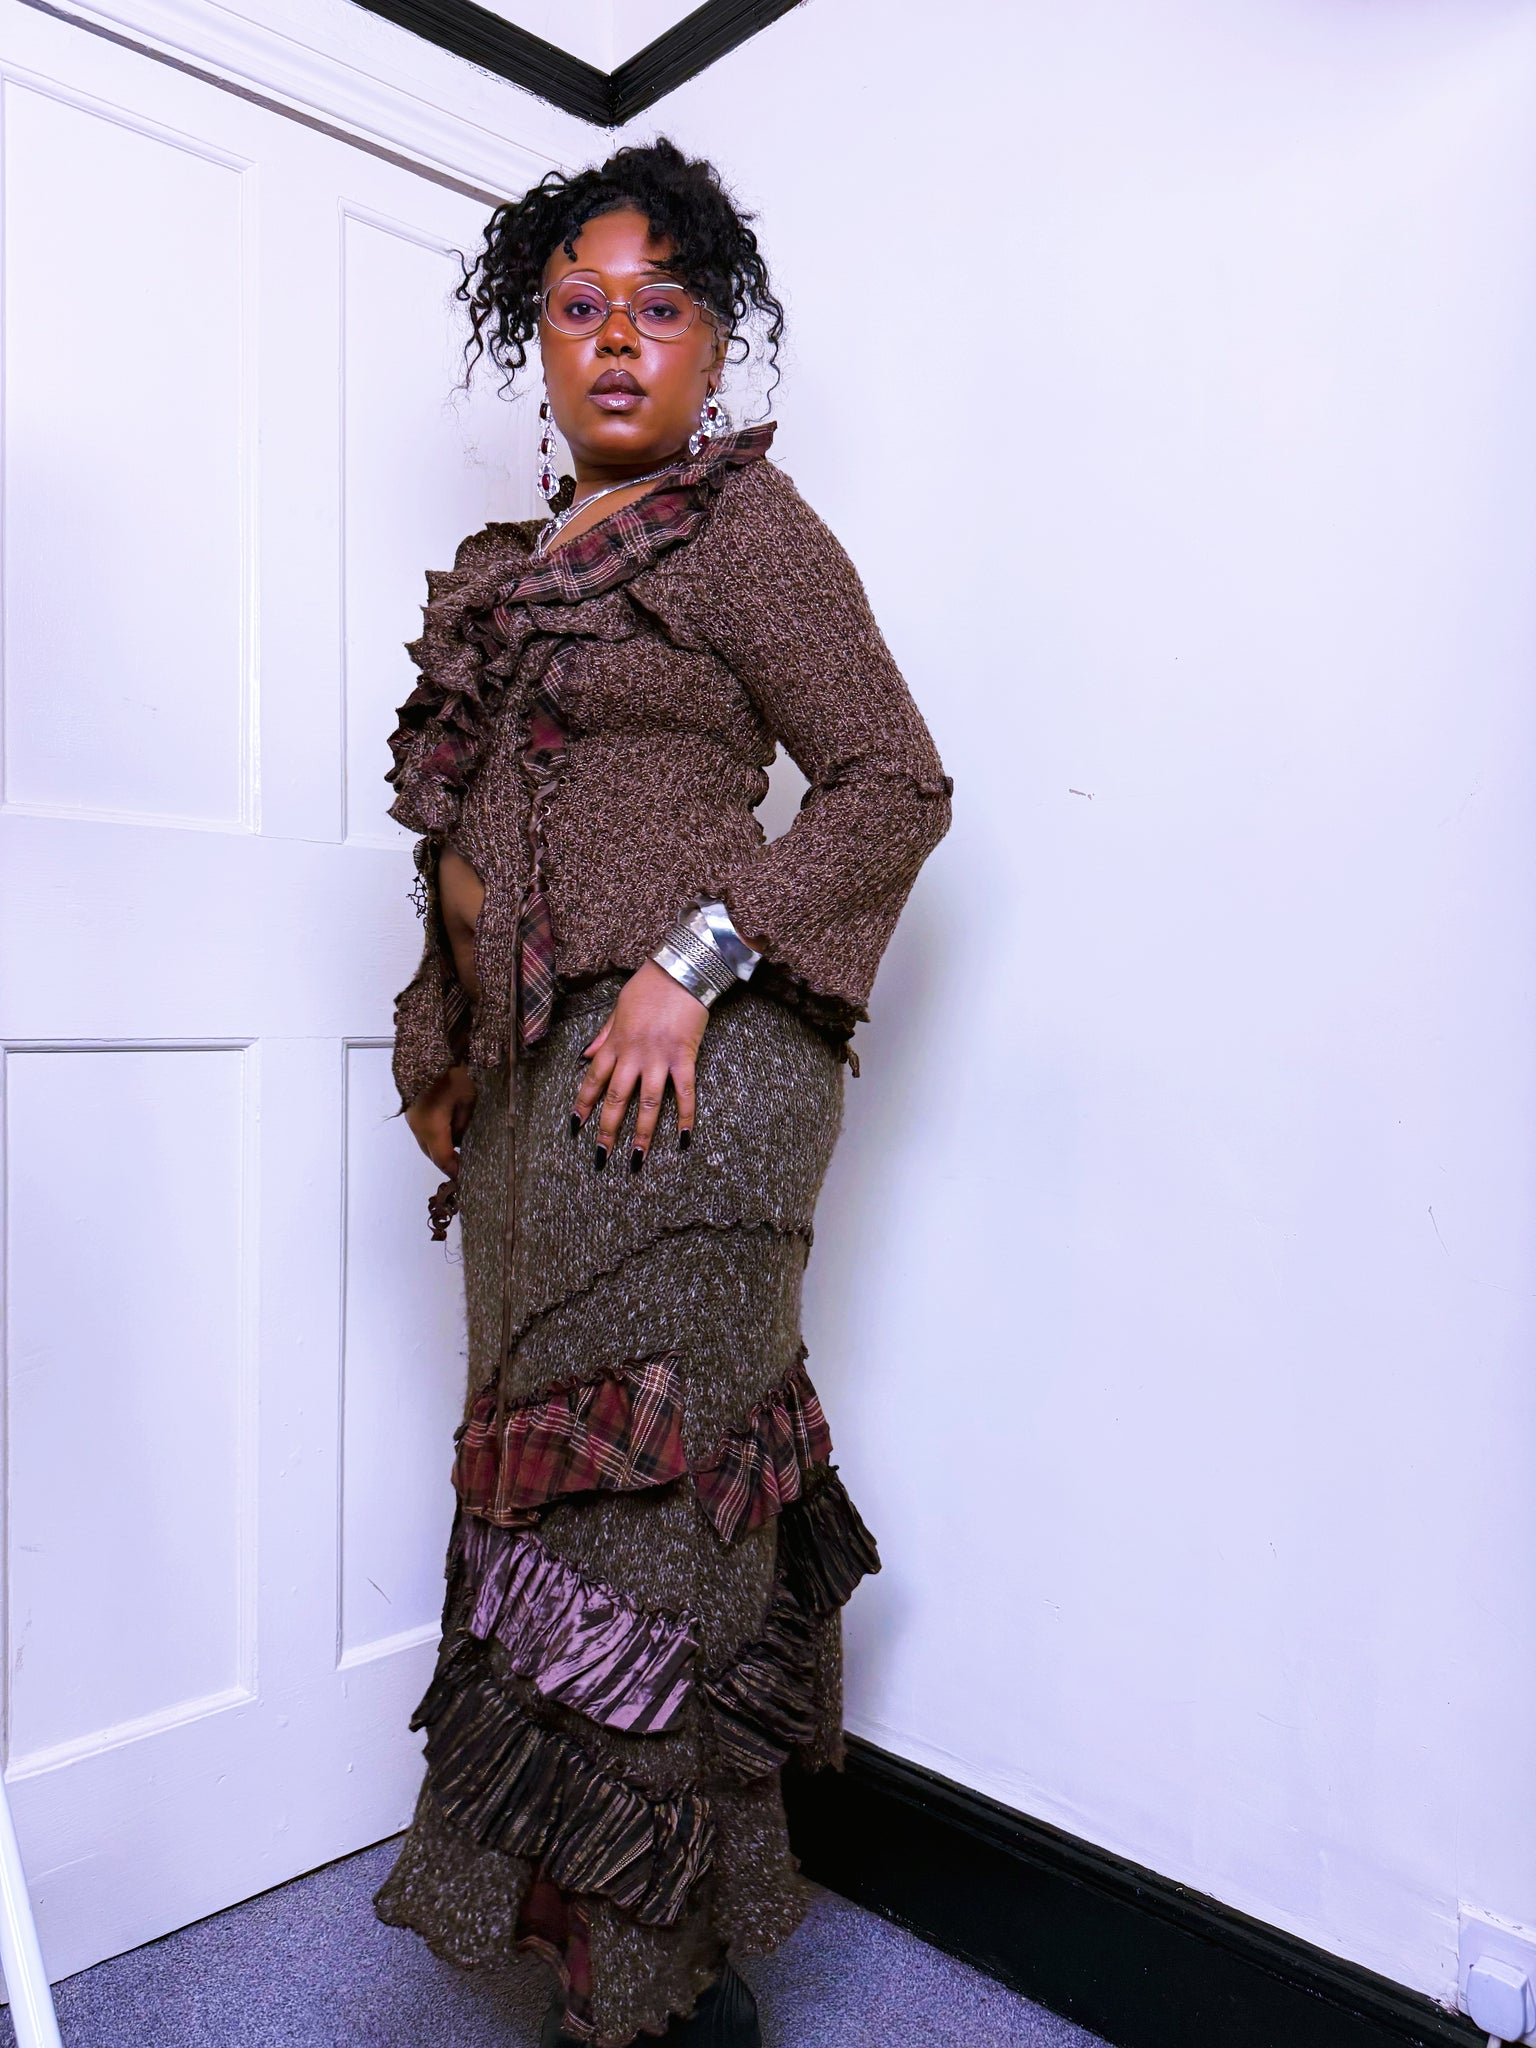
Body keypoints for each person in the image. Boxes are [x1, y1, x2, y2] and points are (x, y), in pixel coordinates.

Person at [371, 136, 954, 2048]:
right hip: (536, 1106)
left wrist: (692, 963)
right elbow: (467, 846)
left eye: (663, 306)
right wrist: (444, 1043)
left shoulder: (743, 532)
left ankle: (666, 1984)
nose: (618, 340)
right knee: (555, 1526)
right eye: (579, 307)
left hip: (693, 1098)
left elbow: (894, 782)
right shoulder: (506, 579)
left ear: (715, 343)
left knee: (651, 1520)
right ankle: (594, 1957)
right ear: (535, 341)